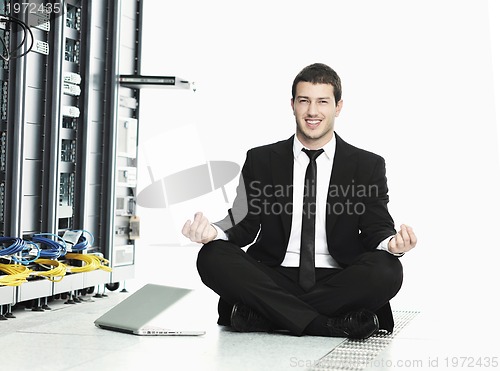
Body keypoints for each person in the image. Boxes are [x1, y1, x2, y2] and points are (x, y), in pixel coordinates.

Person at [182, 63, 417, 339]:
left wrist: (391, 244)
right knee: (212, 255)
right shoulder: (261, 159)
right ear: (292, 105)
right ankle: (326, 324)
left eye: (322, 102)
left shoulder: (367, 165)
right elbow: (244, 221)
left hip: (339, 278)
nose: (312, 111)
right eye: (304, 101)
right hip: (273, 275)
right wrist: (215, 231)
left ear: (338, 107)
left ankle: (270, 315)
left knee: (388, 269)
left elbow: (376, 224)